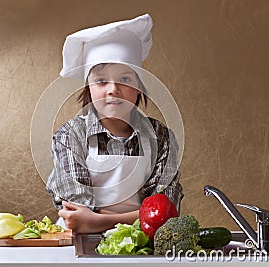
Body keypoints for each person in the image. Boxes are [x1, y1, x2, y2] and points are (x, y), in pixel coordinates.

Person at [46, 14, 183, 234]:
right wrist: (139, 216)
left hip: (140, 241)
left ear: (138, 86)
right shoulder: (70, 136)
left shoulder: (161, 137)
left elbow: (166, 210)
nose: (113, 90)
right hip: (79, 240)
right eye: (101, 80)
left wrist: (96, 220)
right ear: (88, 86)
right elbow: (76, 210)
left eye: (125, 79)